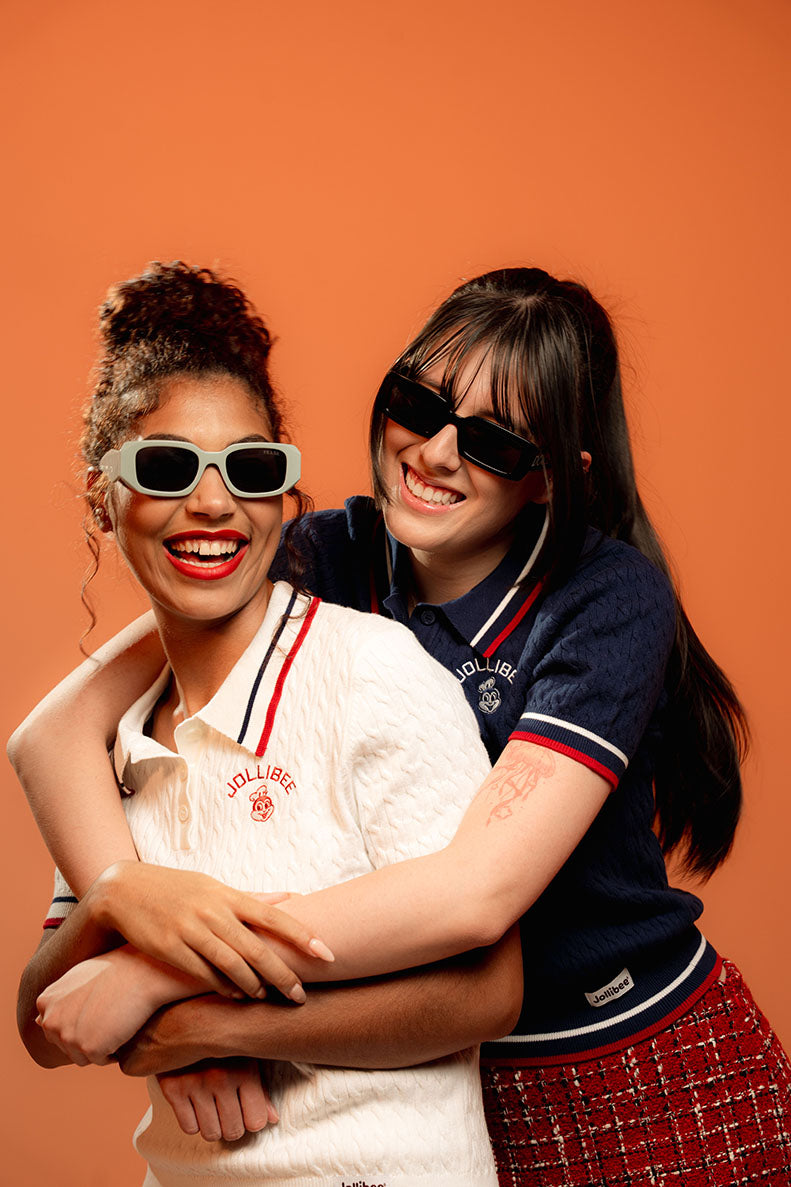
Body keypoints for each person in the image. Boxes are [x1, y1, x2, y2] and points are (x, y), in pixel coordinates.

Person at [13, 266, 791, 1185]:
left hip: (637, 1068)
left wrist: (178, 974)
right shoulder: (319, 554)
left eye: (497, 441)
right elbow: (51, 735)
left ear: (554, 478)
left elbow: (473, 896)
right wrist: (123, 896)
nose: (436, 452)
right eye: (420, 403)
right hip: (449, 1079)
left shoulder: (601, 595)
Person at [14, 261, 522, 1186]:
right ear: (102, 494)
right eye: (167, 466)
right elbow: (48, 1017)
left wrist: (197, 1010)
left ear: (286, 495)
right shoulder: (116, 744)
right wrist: (115, 898)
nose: (213, 504)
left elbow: (488, 989)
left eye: (250, 468)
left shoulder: (373, 675)